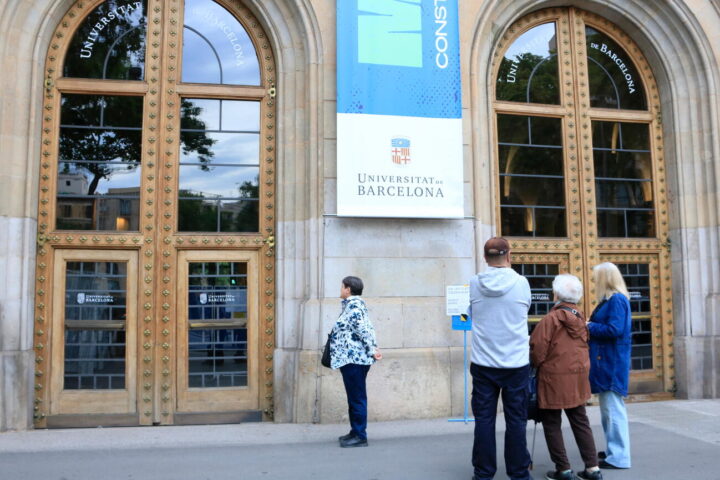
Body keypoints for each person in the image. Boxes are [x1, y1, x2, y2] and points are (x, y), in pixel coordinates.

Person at [468, 237, 533, 480]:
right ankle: (518, 473)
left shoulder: (474, 283)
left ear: (485, 257)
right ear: (509, 255)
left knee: (484, 420)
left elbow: (470, 313)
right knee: (516, 420)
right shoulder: (521, 283)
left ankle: (483, 473)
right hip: (515, 362)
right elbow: (524, 309)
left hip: (483, 362)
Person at [529, 274, 603, 480]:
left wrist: (535, 365)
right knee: (580, 421)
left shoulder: (551, 319)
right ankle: (593, 469)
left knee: (552, 423)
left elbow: (537, 350)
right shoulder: (580, 318)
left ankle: (563, 469)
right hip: (577, 377)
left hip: (553, 378)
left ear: (556, 295)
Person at [587, 262, 632, 469]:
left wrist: (589, 326)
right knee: (609, 410)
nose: (594, 281)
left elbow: (614, 330)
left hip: (611, 362)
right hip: (609, 360)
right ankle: (614, 451)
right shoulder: (613, 299)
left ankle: (619, 457)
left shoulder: (616, 300)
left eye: (597, 277)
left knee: (613, 410)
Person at [329, 276, 382, 448]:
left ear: (348, 289)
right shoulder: (351, 305)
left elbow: (364, 330)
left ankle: (360, 436)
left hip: (355, 360)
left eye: (342, 287)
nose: (340, 289)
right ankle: (355, 431)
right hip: (351, 359)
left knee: (357, 398)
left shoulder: (354, 306)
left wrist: (373, 349)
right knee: (354, 397)